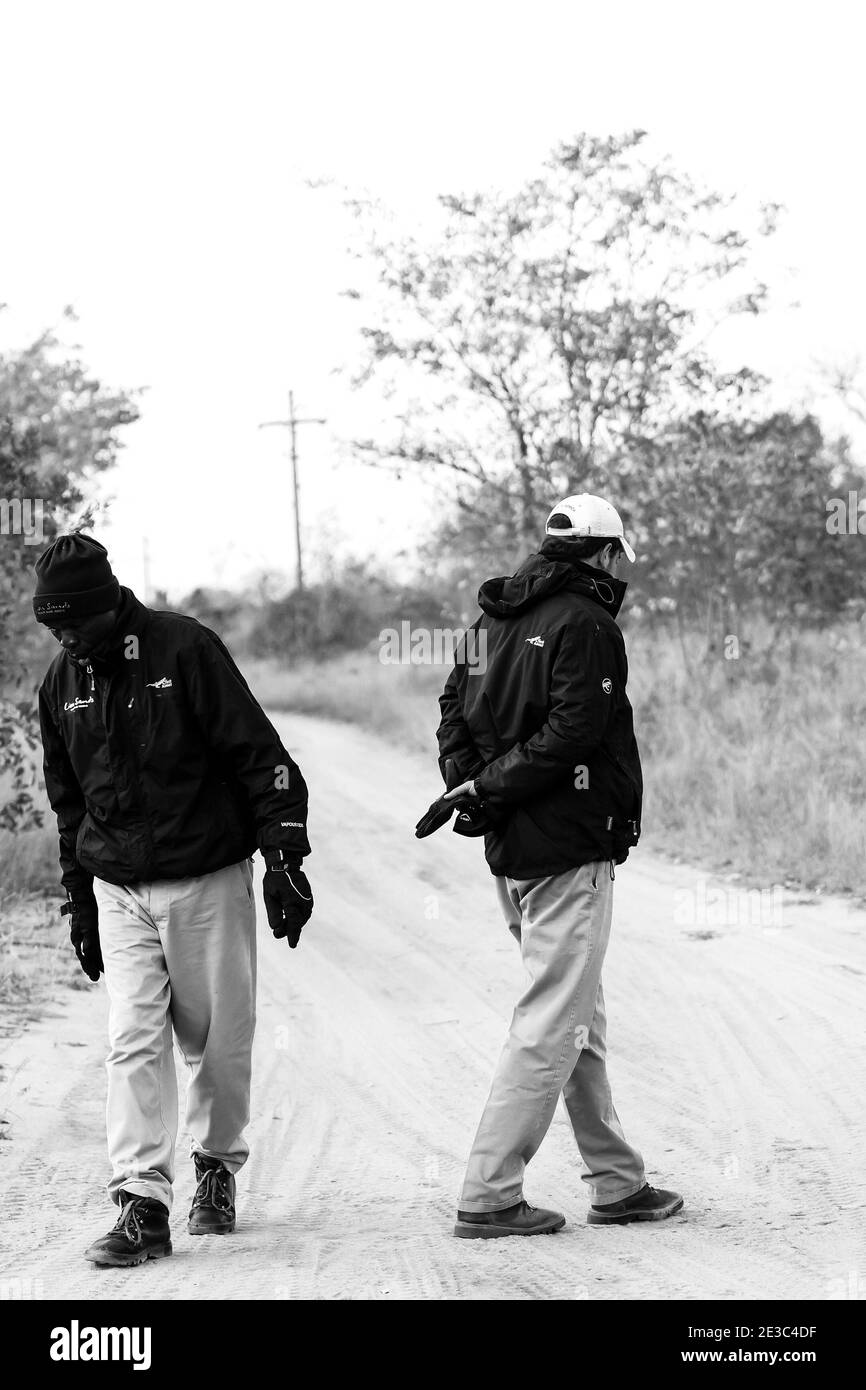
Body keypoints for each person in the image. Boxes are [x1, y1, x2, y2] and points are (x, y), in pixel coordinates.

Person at [33, 533, 314, 1267]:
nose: (64, 639)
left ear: (107, 607)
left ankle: (216, 1167)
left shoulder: (184, 650)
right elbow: (69, 804)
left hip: (205, 875)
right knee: (132, 1037)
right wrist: (79, 902)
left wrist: (284, 856)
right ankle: (140, 1203)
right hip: (117, 885)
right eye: (51, 627)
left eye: (74, 624)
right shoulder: (62, 684)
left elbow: (261, 756)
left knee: (216, 1040)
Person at [432, 494, 683, 1238]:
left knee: (577, 1017)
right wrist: (486, 785)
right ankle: (488, 1194)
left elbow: (450, 709)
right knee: (552, 1019)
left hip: (511, 849)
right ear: (604, 556)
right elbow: (577, 730)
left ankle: (617, 1181)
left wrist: (472, 785)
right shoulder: (589, 624)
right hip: (568, 848)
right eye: (619, 559)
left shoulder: (490, 619)